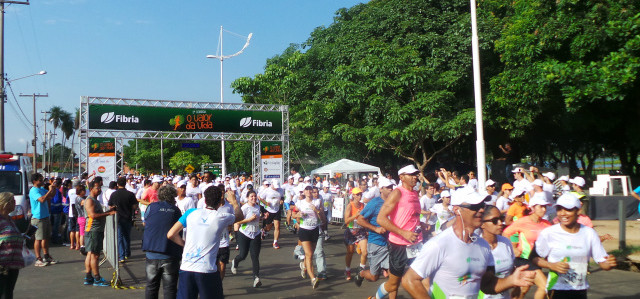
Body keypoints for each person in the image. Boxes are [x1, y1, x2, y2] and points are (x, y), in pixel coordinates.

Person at [401, 190, 536, 298]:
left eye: (482, 206)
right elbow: (409, 280)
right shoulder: (439, 244)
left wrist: (511, 280)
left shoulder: (483, 246)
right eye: (475, 207)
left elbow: (487, 285)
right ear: (457, 210)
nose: (481, 210)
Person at [533, 193, 617, 299]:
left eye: (568, 209)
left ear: (578, 211)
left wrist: (610, 263)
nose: (562, 213)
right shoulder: (549, 233)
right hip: (557, 289)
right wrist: (551, 265)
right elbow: (535, 258)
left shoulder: (589, 233)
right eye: (559, 209)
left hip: (580, 290)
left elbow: (602, 262)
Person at [167, 186, 243, 299]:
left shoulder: (190, 213)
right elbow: (240, 216)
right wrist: (234, 202)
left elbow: (171, 234)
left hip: (187, 267)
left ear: (205, 200)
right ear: (219, 202)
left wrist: (184, 244)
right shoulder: (220, 217)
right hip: (207, 270)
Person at [372, 165, 424, 299]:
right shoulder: (397, 193)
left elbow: (411, 215)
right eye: (411, 174)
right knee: (393, 285)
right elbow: (381, 218)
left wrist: (421, 224)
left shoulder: (414, 192)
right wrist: (404, 233)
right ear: (401, 177)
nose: (415, 177)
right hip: (399, 244)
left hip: (416, 244)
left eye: (416, 174)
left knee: (424, 278)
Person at [502, 195, 552, 299]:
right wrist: (513, 248)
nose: (544, 209)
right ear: (532, 208)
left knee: (523, 289)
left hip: (536, 260)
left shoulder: (547, 224)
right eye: (541, 206)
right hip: (523, 259)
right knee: (544, 286)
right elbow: (505, 233)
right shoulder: (523, 221)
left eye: (545, 207)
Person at [143, 185, 182, 299]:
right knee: (170, 288)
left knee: (151, 286)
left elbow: (146, 222)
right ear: (173, 197)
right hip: (170, 252)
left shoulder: (151, 207)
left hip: (152, 251)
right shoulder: (175, 210)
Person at [354, 177, 394, 287]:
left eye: (392, 187)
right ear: (381, 189)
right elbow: (360, 219)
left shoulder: (395, 202)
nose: (391, 189)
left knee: (393, 274)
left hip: (390, 243)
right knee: (374, 277)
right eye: (388, 187)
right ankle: (361, 273)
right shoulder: (375, 203)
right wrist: (376, 228)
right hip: (376, 243)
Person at [293, 185, 327, 289]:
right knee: (310, 254)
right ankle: (313, 278)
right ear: (304, 191)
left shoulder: (317, 202)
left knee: (310, 256)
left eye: (310, 189)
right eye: (306, 189)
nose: (308, 191)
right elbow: (293, 214)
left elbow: (323, 218)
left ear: (312, 191)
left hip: (315, 230)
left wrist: (316, 210)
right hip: (304, 230)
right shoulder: (300, 203)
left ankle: (304, 265)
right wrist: (298, 215)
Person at [83, 181, 117, 286]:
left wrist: (109, 210)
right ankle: (97, 278)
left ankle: (89, 277)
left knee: (90, 254)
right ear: (91, 188)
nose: (100, 190)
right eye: (97, 188)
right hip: (93, 231)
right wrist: (109, 213)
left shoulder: (94, 200)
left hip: (95, 231)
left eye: (100, 188)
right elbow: (92, 215)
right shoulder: (89, 201)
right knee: (95, 255)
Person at [480, 205, 515, 299]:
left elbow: (512, 270)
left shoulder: (506, 242)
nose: (500, 223)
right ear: (482, 224)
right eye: (495, 220)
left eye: (501, 218)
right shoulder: (476, 246)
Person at [230, 190, 263, 288]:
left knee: (255, 257)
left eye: (255, 196)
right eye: (251, 196)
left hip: (255, 234)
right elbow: (237, 222)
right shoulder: (244, 208)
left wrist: (262, 217)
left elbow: (257, 219)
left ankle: (256, 278)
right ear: (247, 198)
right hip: (244, 234)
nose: (253, 198)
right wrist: (249, 220)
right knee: (243, 255)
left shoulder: (258, 207)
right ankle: (235, 261)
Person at [28, 173, 57, 267]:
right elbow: (42, 199)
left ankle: (46, 256)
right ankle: (38, 258)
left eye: (42, 180)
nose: (42, 182)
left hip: (45, 216)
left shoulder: (41, 189)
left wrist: (54, 188)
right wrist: (49, 191)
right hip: (38, 218)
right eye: (40, 180)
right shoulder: (33, 191)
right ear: (34, 181)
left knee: (46, 237)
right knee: (38, 239)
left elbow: (51, 195)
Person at [0, 192, 25, 298]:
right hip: (2, 265)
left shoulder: (10, 219)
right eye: (13, 201)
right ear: (5, 204)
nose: (15, 204)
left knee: (9, 293)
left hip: (14, 264)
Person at [108, 176, 139, 263]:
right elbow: (134, 206)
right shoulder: (130, 194)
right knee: (127, 236)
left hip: (118, 218)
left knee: (119, 237)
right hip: (128, 217)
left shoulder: (114, 194)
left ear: (117, 184)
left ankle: (121, 256)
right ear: (125, 183)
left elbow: (110, 206)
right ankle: (127, 253)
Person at [344, 187, 368, 281]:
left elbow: (366, 218)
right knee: (350, 252)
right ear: (353, 195)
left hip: (361, 231)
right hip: (350, 231)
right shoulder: (350, 206)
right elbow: (346, 220)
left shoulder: (363, 205)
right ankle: (347, 270)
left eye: (360, 194)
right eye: (357, 194)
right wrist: (355, 215)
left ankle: (361, 271)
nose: (359, 196)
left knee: (365, 252)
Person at [75, 185, 88, 254]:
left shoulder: (81, 198)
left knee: (82, 233)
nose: (85, 191)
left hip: (81, 217)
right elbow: (85, 203)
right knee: (82, 233)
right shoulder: (79, 199)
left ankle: (83, 246)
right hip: (82, 217)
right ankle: (82, 246)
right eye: (83, 190)